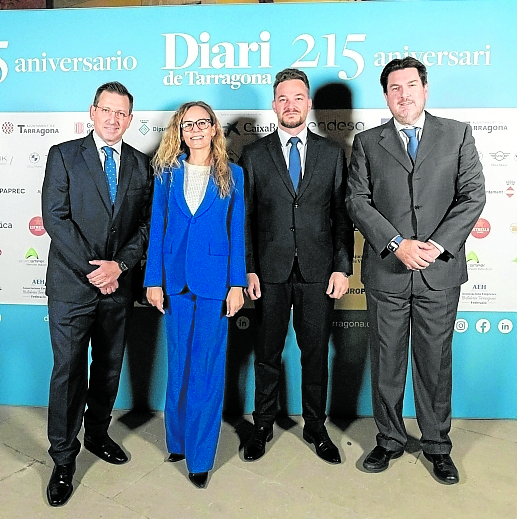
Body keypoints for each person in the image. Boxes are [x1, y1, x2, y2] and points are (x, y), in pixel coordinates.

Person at [346, 57, 485, 485]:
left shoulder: (457, 133)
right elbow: (357, 200)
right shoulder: (368, 142)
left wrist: (436, 246)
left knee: (435, 363)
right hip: (387, 270)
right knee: (386, 360)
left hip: (438, 272)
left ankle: (437, 446)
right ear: (385, 95)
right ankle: (388, 439)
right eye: (394, 88)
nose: (403, 94)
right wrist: (397, 244)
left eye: (410, 86)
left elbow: (472, 196)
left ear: (425, 89)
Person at [42, 81, 153, 506]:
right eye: (106, 111)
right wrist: (96, 270)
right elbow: (55, 218)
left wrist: (119, 267)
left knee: (108, 367)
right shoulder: (63, 155)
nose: (113, 119)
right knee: (69, 370)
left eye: (122, 113)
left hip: (117, 287)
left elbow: (145, 225)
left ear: (130, 119)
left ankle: (97, 434)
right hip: (73, 285)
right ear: (92, 112)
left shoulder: (141, 166)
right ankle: (64, 458)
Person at [241, 68, 354, 464]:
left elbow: (343, 216)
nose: (291, 105)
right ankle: (262, 425)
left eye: (298, 98)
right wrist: (248, 268)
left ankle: (315, 426)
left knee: (315, 354)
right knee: (268, 353)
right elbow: (245, 218)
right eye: (283, 99)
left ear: (308, 103)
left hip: (319, 272)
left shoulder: (332, 153)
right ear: (274, 106)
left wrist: (342, 267)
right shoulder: (254, 155)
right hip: (268, 274)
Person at [144, 101, 246, 489]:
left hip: (214, 285)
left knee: (206, 369)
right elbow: (157, 229)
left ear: (214, 129)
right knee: (179, 366)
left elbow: (237, 233)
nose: (197, 130)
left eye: (203, 123)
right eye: (189, 125)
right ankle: (179, 441)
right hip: (173, 281)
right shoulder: (166, 174)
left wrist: (236, 284)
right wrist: (153, 279)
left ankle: (201, 457)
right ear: (180, 131)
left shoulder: (232, 175)